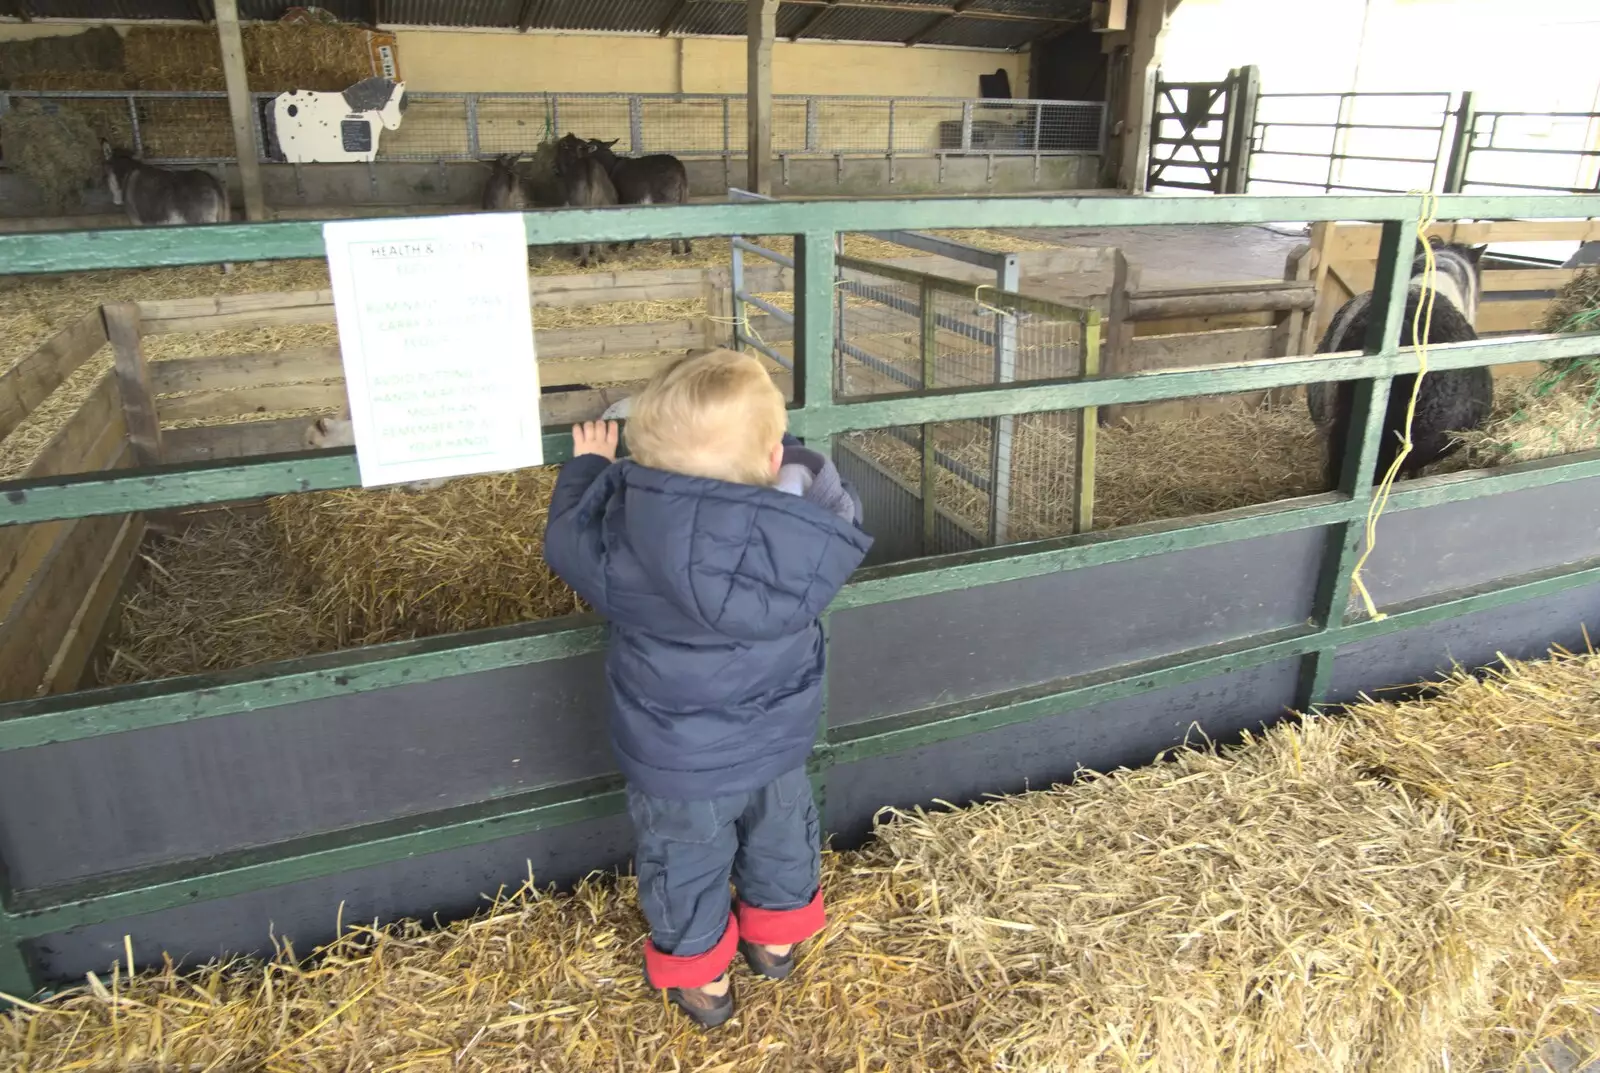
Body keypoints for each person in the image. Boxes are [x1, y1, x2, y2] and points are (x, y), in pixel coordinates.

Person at [544, 349, 873, 1028]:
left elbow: (566, 536)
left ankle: (704, 980)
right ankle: (776, 940)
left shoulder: (620, 540)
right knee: (782, 833)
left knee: (684, 859)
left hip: (677, 761)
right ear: (773, 452)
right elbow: (826, 490)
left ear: (650, 462)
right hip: (779, 741)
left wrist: (588, 471)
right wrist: (784, 456)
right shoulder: (801, 537)